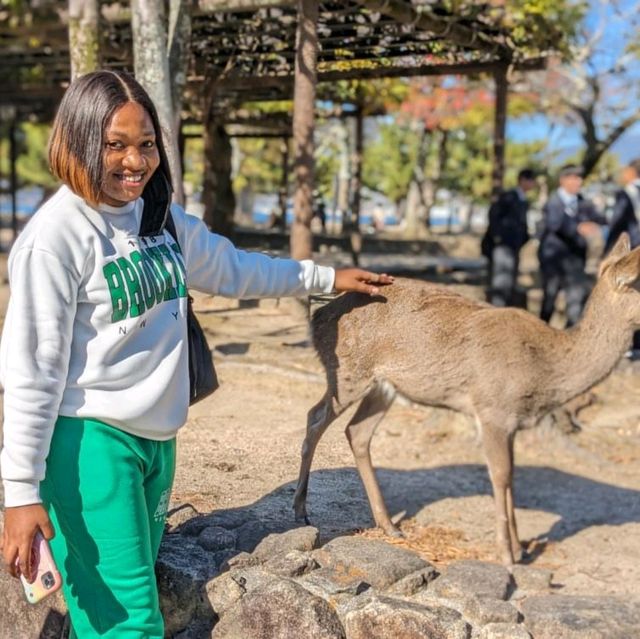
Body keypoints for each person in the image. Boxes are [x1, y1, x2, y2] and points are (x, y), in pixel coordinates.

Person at [0, 70, 393, 638]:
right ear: (80, 141)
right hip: (89, 444)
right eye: (115, 145)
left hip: (158, 440)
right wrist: (20, 493)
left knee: (123, 609)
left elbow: (235, 268)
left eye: (146, 144)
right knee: (129, 625)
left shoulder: (159, 218)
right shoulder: (55, 238)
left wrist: (326, 277)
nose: (135, 162)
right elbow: (32, 374)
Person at [538, 163, 607, 327]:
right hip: (553, 258)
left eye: (580, 178)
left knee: (576, 299)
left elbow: (601, 219)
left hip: (576, 258)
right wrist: (578, 227)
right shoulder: (553, 202)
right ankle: (540, 331)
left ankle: (571, 338)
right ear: (563, 180)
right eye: (574, 178)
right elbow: (556, 224)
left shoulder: (583, 202)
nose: (579, 182)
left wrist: (594, 224)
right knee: (549, 298)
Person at [481, 168, 537, 307]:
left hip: (514, 246)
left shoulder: (523, 200)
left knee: (510, 281)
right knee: (501, 282)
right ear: (523, 180)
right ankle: (496, 312)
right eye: (531, 181)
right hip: (503, 246)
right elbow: (494, 215)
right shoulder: (509, 196)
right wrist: (498, 238)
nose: (533, 184)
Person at [603, 158, 640, 355]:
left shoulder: (625, 194)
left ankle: (627, 344)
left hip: (632, 255)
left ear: (631, 172)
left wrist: (609, 253)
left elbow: (617, 225)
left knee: (627, 298)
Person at [603, 159, 640, 254]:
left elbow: (617, 221)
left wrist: (607, 249)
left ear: (631, 171)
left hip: (634, 244)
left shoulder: (626, 193)